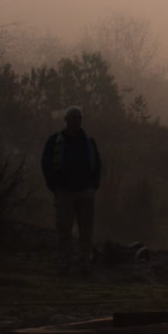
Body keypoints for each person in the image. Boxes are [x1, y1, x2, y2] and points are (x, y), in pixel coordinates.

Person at [41, 106, 102, 276]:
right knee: (64, 230)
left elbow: (97, 164)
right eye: (74, 117)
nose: (77, 120)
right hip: (64, 192)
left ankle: (85, 265)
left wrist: (93, 186)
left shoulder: (89, 142)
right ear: (66, 120)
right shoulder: (55, 141)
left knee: (86, 231)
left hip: (85, 191)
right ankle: (64, 265)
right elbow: (46, 164)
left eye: (79, 117)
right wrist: (54, 186)